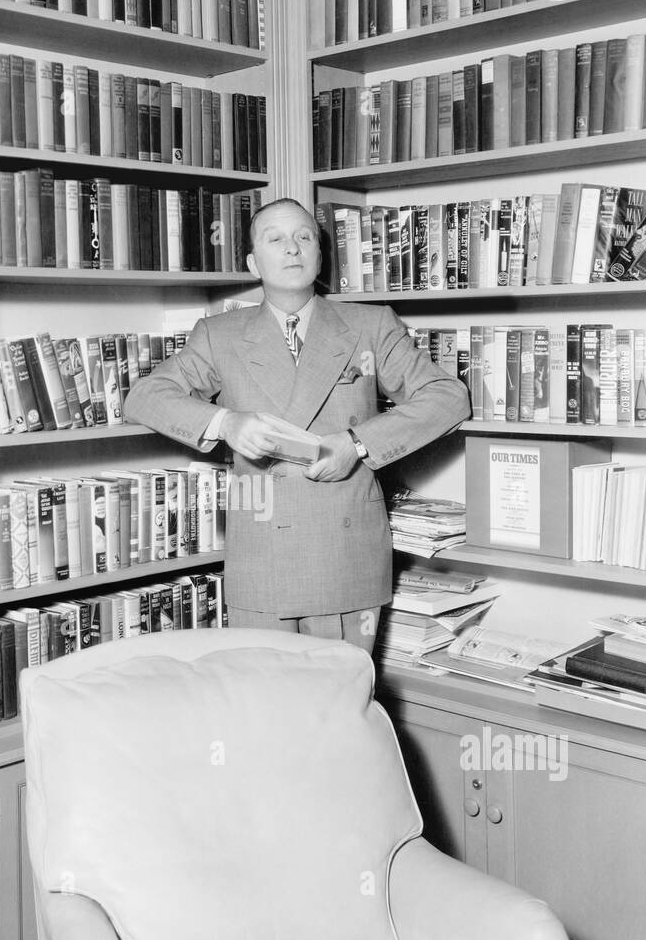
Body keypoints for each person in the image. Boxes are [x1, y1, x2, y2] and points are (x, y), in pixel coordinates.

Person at [123, 197, 470, 652]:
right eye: (276, 239)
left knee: (341, 706)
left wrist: (358, 443)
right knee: (268, 708)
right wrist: (225, 422)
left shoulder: (370, 324)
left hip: (345, 552)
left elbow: (449, 397)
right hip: (261, 552)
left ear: (320, 254)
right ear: (253, 262)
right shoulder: (219, 334)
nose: (292, 249)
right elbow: (144, 397)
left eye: (304, 237)